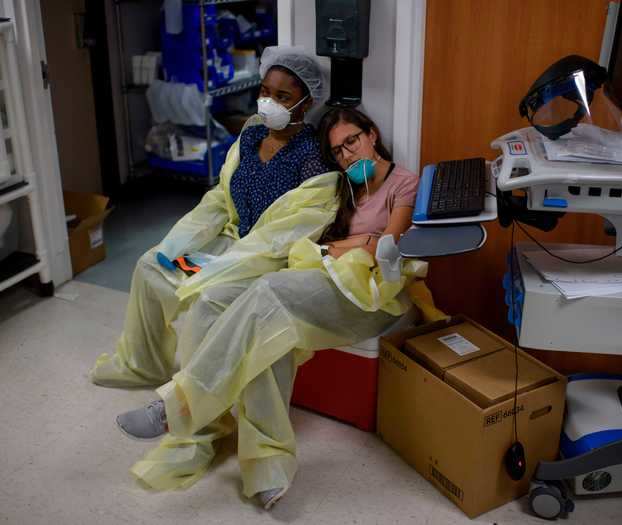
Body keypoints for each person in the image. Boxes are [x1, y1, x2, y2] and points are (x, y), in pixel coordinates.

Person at [116, 107, 426, 510]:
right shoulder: (344, 188)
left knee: (268, 295)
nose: (347, 155)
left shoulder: (404, 182)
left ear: (372, 134)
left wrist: (337, 247)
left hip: (372, 295)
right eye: (338, 151)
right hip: (323, 277)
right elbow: (315, 235)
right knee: (218, 304)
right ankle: (250, 460)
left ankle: (178, 405)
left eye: (352, 141)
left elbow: (385, 243)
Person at [90, 46, 336, 389]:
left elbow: (285, 236)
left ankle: (195, 403)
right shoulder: (251, 136)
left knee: (209, 300)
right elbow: (221, 197)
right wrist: (179, 242)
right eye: (264, 92)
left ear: (307, 102)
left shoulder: (312, 159)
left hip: (267, 260)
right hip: (229, 242)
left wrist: (221, 266)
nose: (268, 103)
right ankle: (142, 365)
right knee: (150, 267)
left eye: (283, 96)